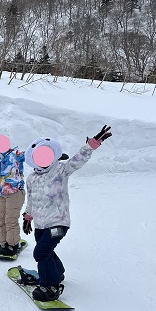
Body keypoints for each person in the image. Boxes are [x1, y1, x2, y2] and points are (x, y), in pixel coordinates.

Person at [22, 125, 112, 301]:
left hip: (58, 222)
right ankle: (59, 272)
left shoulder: (61, 169)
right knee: (45, 250)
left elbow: (78, 160)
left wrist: (91, 145)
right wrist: (27, 217)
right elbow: (31, 199)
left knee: (40, 253)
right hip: (40, 223)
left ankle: (51, 285)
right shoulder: (31, 178)